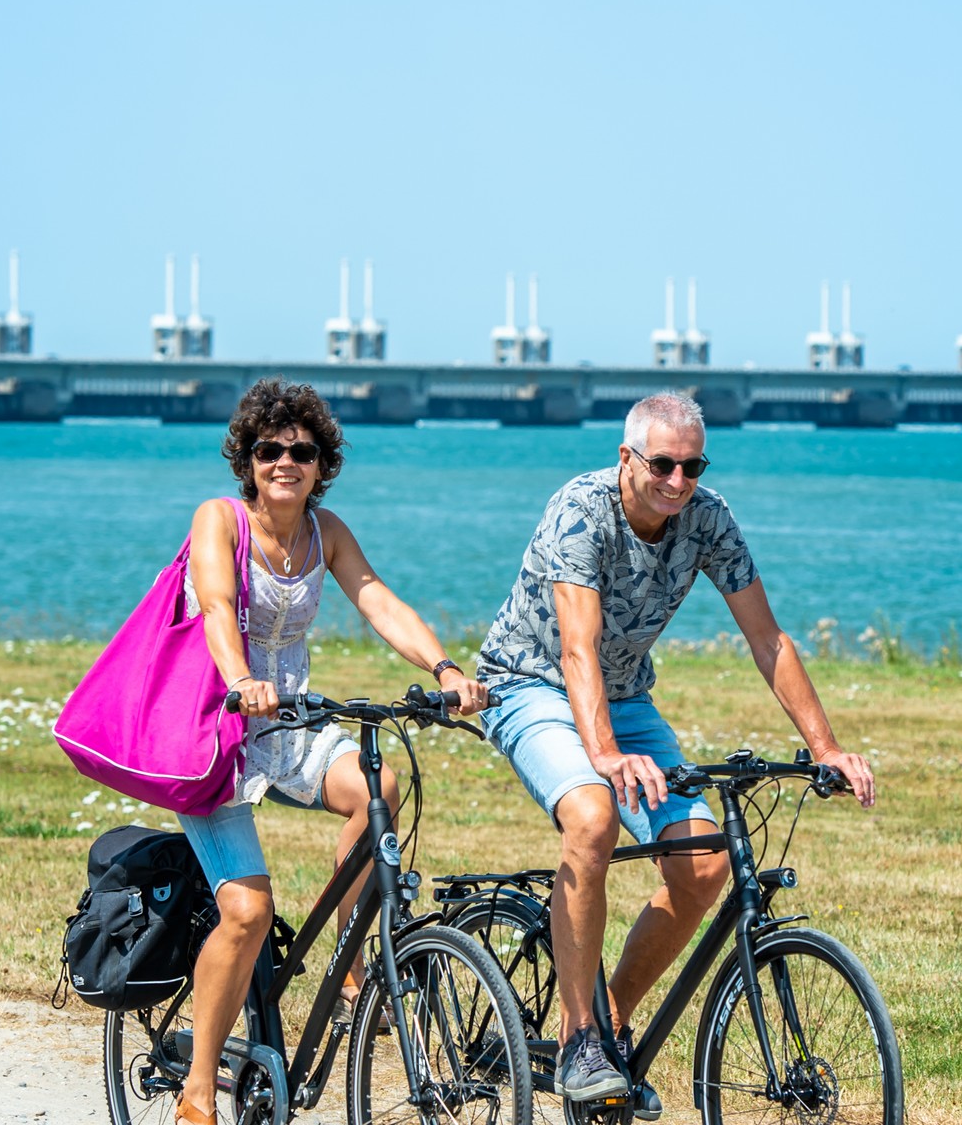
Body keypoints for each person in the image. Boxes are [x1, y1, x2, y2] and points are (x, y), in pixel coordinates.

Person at [476, 390, 876, 1117]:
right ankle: (576, 1040)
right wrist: (603, 755)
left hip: (623, 696)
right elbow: (576, 647)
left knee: (705, 864)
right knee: (592, 818)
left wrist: (828, 748)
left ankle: (610, 1027)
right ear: (627, 457)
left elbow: (769, 639)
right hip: (528, 685)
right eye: (663, 464)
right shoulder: (580, 509)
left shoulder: (708, 517)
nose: (678, 481)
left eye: (692, 466)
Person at [173, 377, 489, 1125]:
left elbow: (375, 597)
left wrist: (443, 669)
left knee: (377, 794)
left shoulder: (328, 532)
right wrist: (242, 678)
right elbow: (217, 606)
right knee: (247, 914)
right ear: (248, 459)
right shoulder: (219, 521)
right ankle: (197, 1087)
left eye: (302, 451)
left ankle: (347, 961)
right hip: (218, 730)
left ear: (322, 462)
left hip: (294, 724)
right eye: (270, 450)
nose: (286, 461)